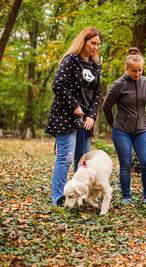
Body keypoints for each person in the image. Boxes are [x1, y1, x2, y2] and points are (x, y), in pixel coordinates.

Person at [46, 27, 102, 207]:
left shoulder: (95, 67)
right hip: (65, 116)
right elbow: (58, 85)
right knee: (66, 157)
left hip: (85, 119)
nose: (95, 47)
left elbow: (97, 94)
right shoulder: (70, 61)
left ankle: (81, 196)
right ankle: (58, 198)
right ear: (83, 41)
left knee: (83, 160)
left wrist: (91, 116)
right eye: (92, 43)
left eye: (98, 44)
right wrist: (75, 106)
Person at [102, 52, 146, 207]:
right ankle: (126, 197)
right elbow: (106, 106)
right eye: (134, 70)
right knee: (125, 165)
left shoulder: (145, 82)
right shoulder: (118, 85)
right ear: (126, 68)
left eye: (140, 70)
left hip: (142, 130)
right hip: (122, 131)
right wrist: (113, 124)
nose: (137, 73)